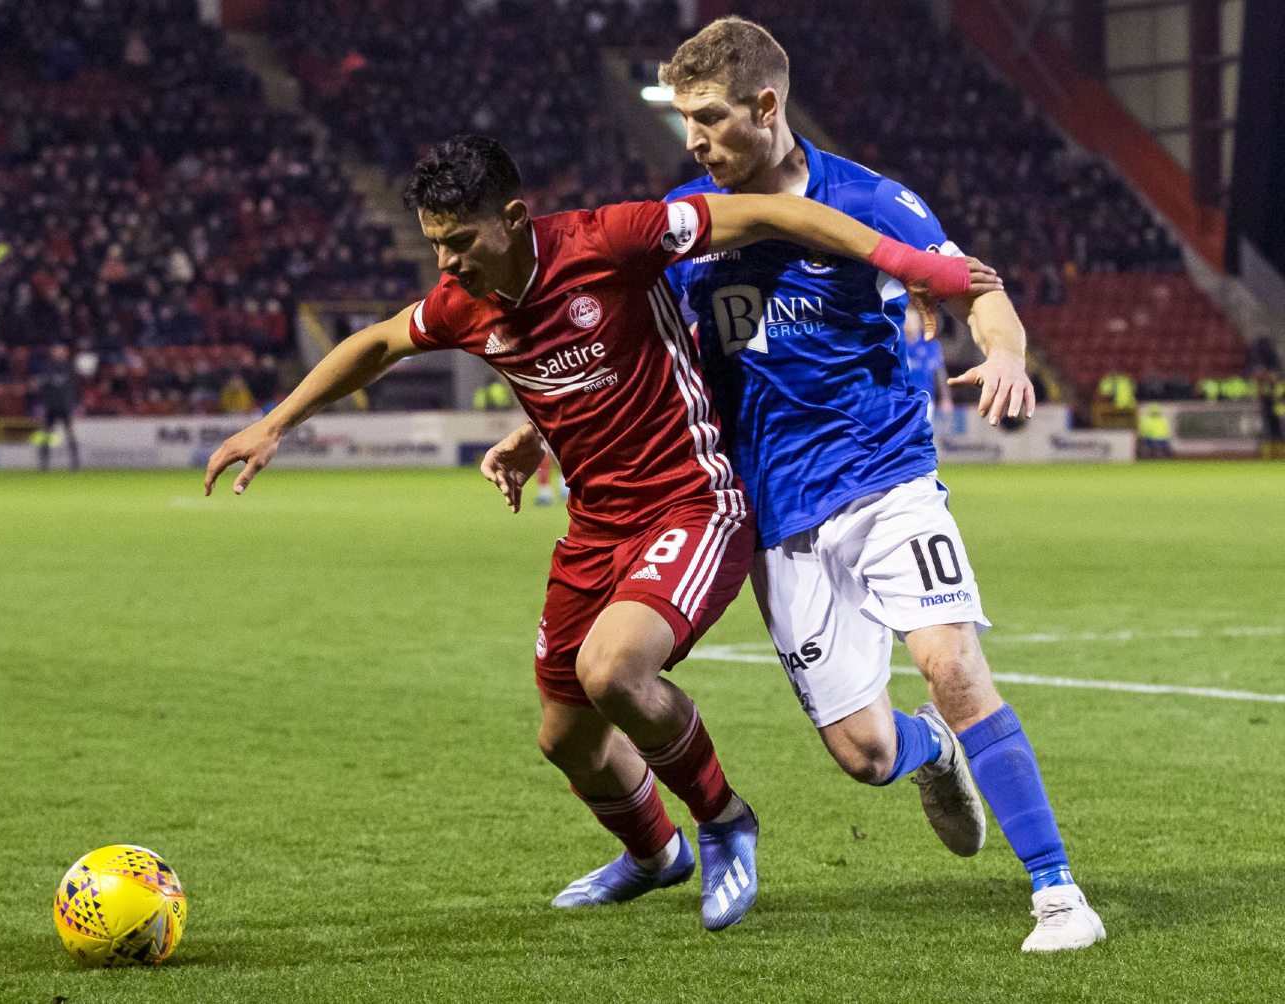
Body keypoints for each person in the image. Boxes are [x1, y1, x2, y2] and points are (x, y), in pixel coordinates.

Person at [205, 134, 992, 930]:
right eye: (433, 242)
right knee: (567, 739)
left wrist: (914, 263)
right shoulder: (461, 303)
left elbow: (767, 211)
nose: (446, 263)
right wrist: (276, 425)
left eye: (460, 241)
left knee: (613, 670)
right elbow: (376, 343)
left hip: (694, 501)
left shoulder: (609, 240)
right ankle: (657, 855)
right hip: (596, 527)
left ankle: (724, 821)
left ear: (512, 218)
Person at [484, 17, 1102, 952]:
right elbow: (641, 346)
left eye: (707, 116)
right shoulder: (688, 220)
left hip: (888, 475)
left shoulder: (872, 198)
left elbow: (976, 285)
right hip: (772, 512)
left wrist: (1007, 355)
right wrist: (538, 430)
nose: (690, 138)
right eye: (681, 117)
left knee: (952, 660)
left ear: (766, 107)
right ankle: (931, 748)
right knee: (865, 754)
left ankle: (1059, 895)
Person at [33, 343, 80, 471]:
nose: (59, 353)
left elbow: (74, 388)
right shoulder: (47, 368)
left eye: (61, 351)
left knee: (69, 434)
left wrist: (75, 403)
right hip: (51, 406)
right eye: (57, 351)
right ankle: (44, 462)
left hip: (64, 406)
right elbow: (40, 386)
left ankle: (75, 462)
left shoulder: (69, 368)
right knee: (46, 434)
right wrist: (42, 402)